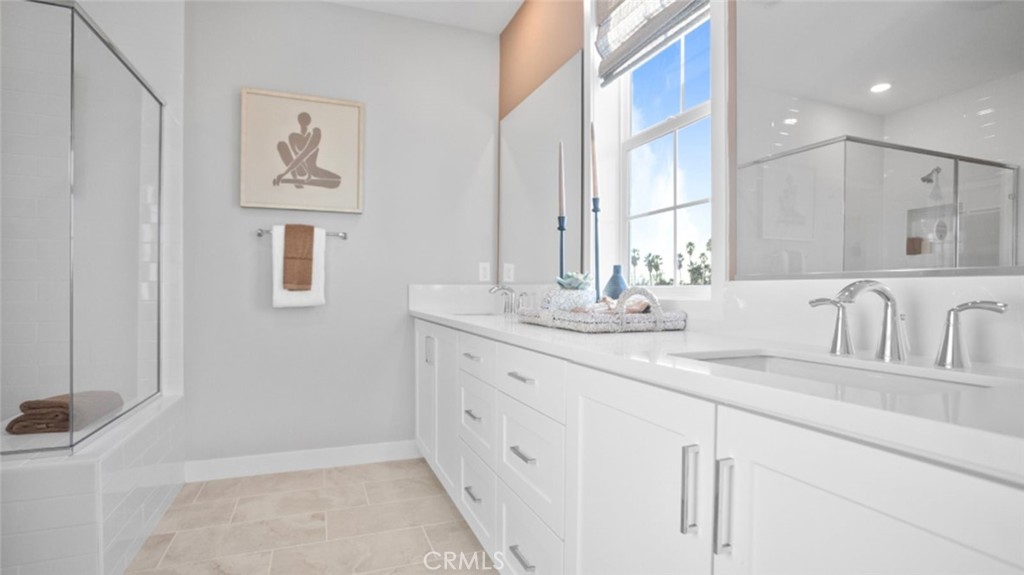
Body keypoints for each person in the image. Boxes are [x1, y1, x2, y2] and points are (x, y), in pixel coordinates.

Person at [273, 112, 341, 189]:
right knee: (281, 144)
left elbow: (303, 155)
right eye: (301, 123)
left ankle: (306, 175)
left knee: (337, 179)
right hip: (300, 169)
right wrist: (292, 177)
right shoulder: (293, 137)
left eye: (304, 123)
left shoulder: (315, 133)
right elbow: (296, 157)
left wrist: (284, 173)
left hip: (312, 170)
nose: (303, 127)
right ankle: (297, 178)